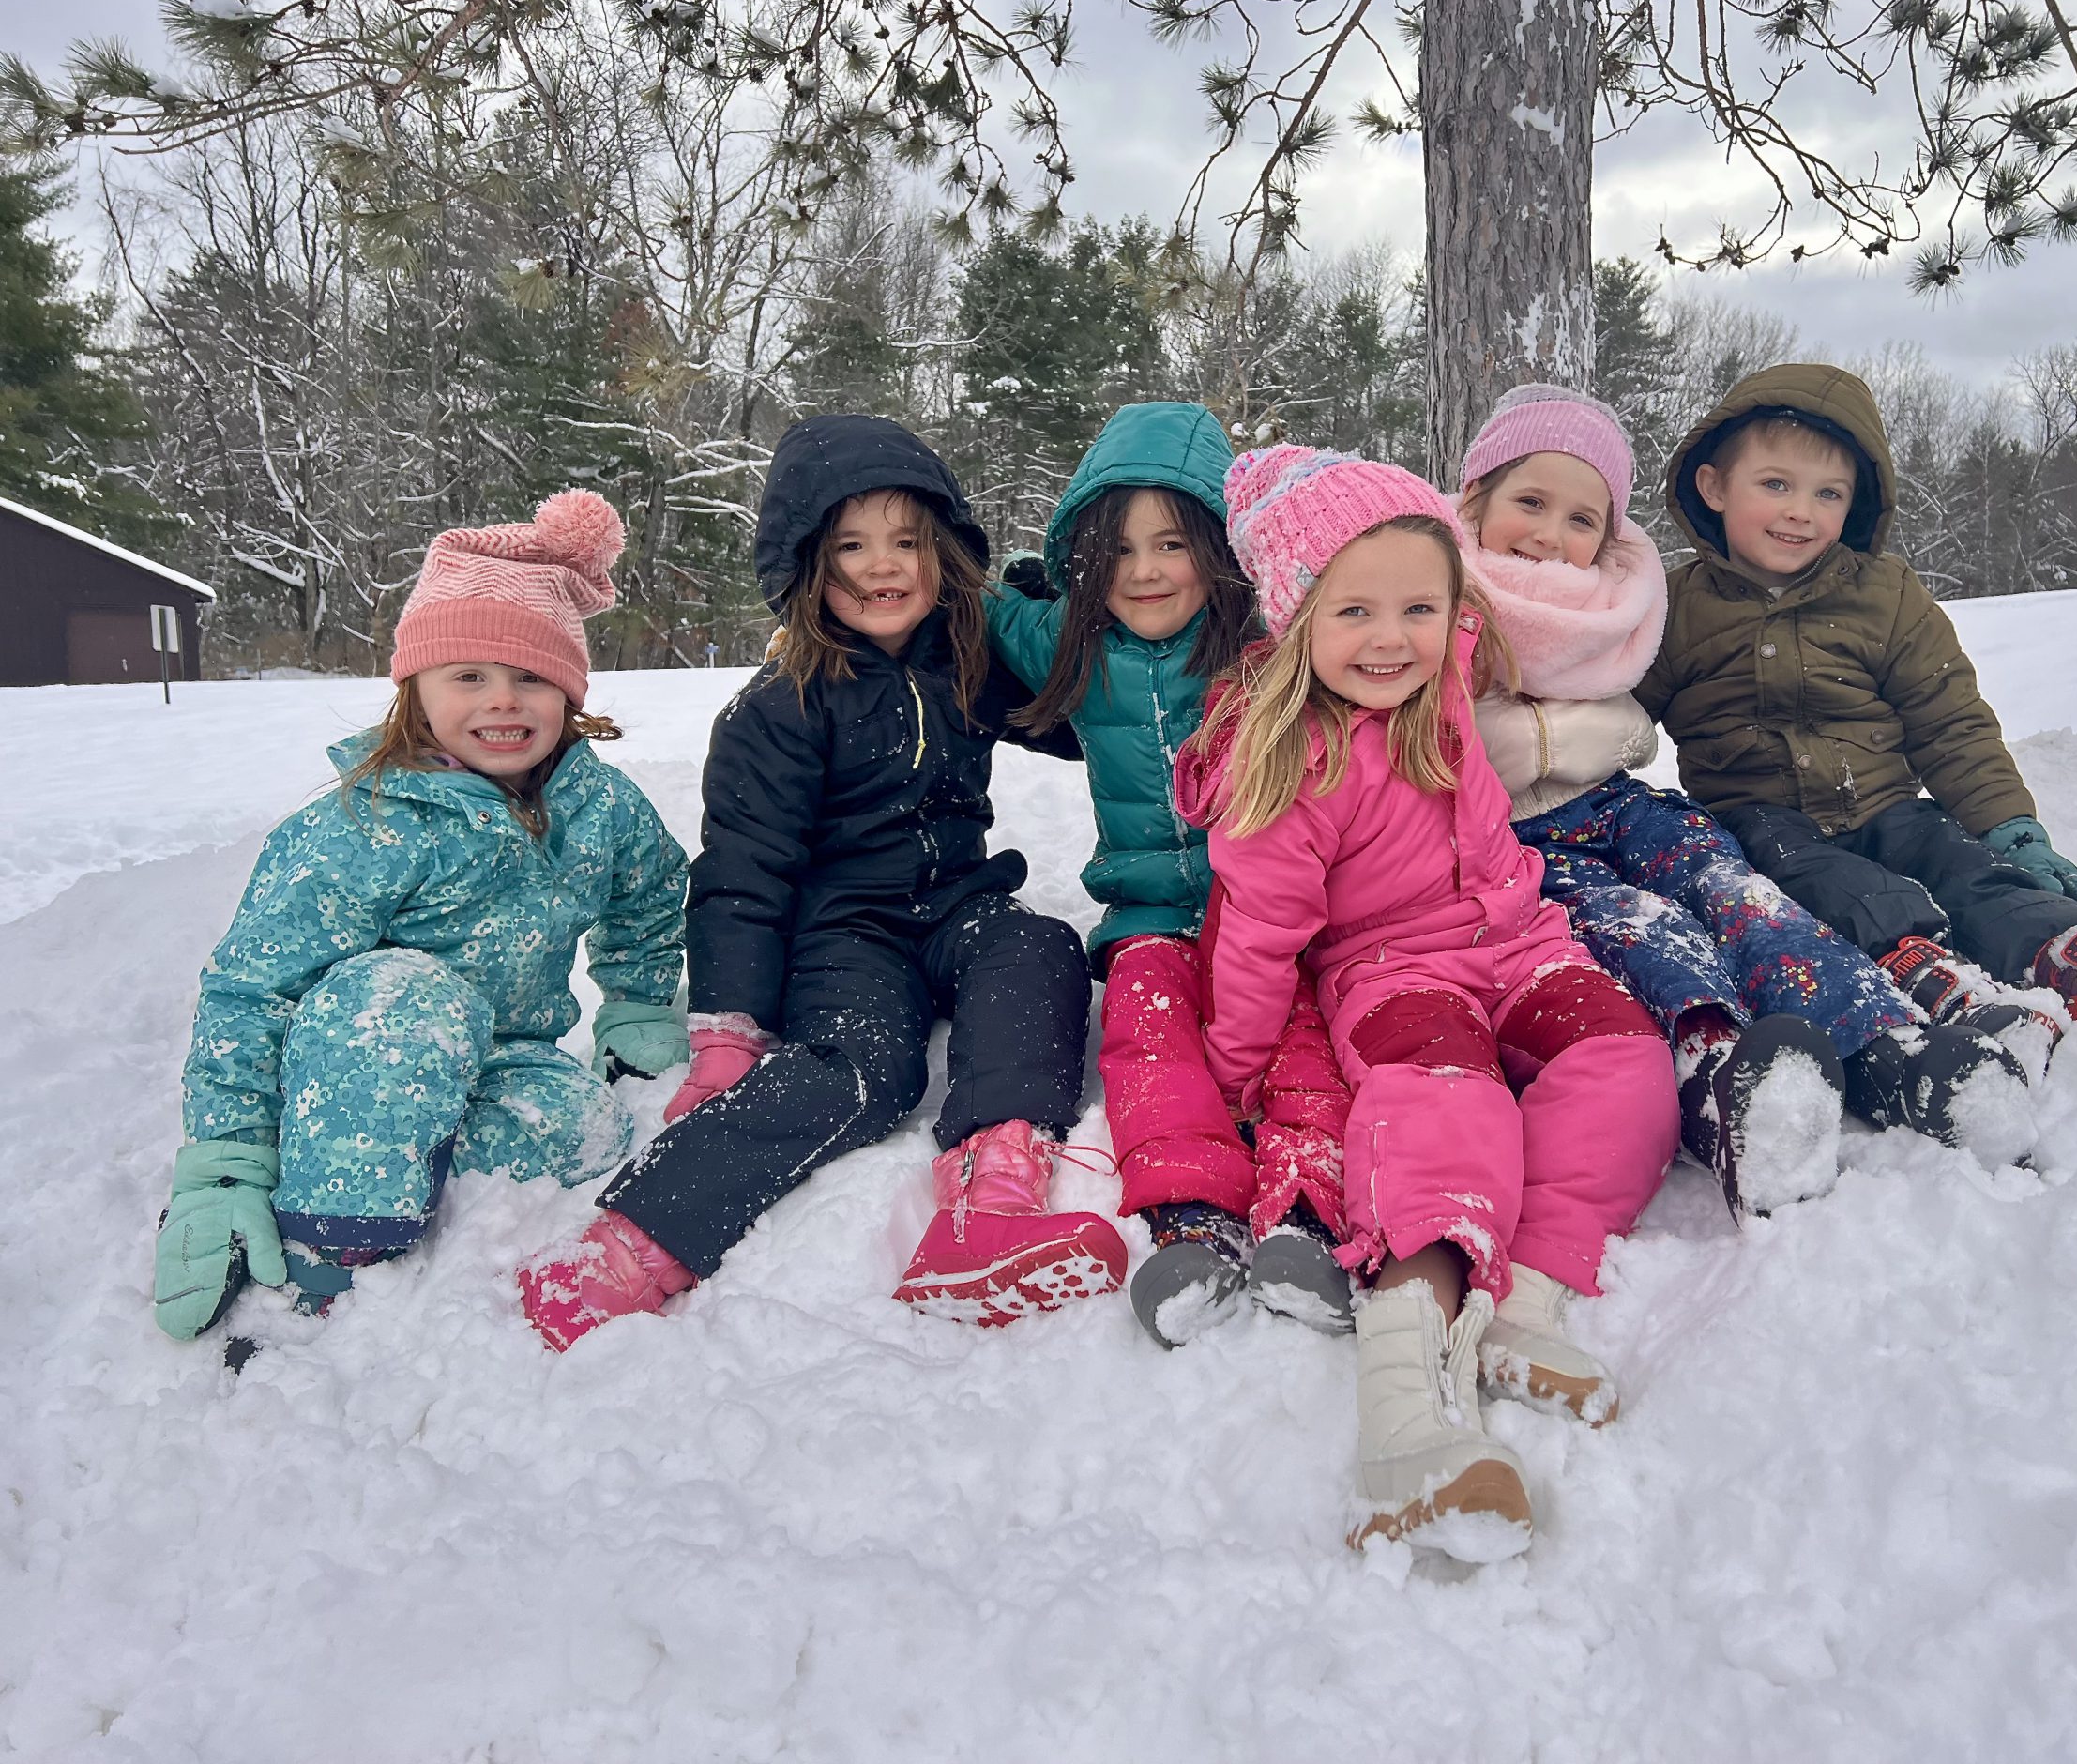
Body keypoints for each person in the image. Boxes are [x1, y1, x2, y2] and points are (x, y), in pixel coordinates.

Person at [1175, 446, 1678, 1560]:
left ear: (1455, 614)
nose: (1390, 635)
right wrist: (1238, 1068)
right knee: (1452, 1108)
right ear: (1296, 617)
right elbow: (1259, 938)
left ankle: (1529, 1307)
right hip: (1394, 975)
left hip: (1518, 939)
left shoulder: (1442, 684)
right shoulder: (1292, 762)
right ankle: (1403, 1415)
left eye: (1418, 605)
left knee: (1625, 1067)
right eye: (1352, 610)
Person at [519, 416, 1117, 1349]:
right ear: (806, 564)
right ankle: (633, 1241)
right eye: (851, 546)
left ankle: (991, 1186)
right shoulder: (778, 709)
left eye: (907, 542)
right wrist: (726, 1029)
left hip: (957, 905)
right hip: (843, 937)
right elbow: (742, 875)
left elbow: (1080, 725)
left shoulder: (967, 660)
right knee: (865, 1071)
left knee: (1037, 947)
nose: (885, 567)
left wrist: (1048, 633)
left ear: (944, 552)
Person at [1455, 385, 2035, 1210]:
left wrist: (1608, 741)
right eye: (1530, 502)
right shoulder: (1437, 592)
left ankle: (1882, 1043)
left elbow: (1640, 716)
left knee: (1733, 888)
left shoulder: (1616, 607)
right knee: (1637, 924)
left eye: (1583, 519)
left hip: (1615, 800)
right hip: (1511, 839)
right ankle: (1721, 1072)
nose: (1552, 534)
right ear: (1476, 496)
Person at [154, 492, 689, 1344]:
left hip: (505, 1053)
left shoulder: (599, 804)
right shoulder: (364, 823)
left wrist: (635, 1005)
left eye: (531, 678)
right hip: (367, 1045)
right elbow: (252, 989)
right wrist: (222, 1164)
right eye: (468, 676)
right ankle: (329, 1249)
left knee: (591, 1130)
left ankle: (410, 1170)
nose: (502, 702)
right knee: (407, 994)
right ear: (417, 688)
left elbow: (652, 892)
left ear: (570, 690)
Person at [1639, 363, 2077, 1068]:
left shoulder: (1886, 596)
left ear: (1857, 506)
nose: (1800, 511)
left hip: (1887, 805)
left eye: (1828, 493)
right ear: (1714, 486)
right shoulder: (1673, 606)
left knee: (1964, 864)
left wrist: (2011, 829)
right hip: (1762, 824)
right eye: (1774, 484)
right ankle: (1939, 982)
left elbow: (1948, 718)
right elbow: (1618, 716)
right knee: (1841, 893)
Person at [988, 403, 1351, 1347]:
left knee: (1297, 1043)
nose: (1143, 572)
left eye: (1171, 544)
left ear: (1220, 551)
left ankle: (1310, 1208)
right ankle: (1189, 1212)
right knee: (1147, 1039)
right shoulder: (1071, 643)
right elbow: (970, 605)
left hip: (1272, 917)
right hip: (1147, 914)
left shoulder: (1267, 644)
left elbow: (1370, 598)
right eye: (1117, 549)